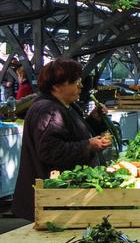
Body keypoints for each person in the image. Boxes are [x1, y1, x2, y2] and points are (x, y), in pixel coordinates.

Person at [12, 58, 112, 220]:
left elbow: (72, 133)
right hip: (51, 201)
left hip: (60, 200)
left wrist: (95, 120)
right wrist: (88, 146)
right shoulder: (48, 110)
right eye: (74, 82)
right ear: (56, 85)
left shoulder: (63, 105)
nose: (80, 85)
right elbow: (51, 151)